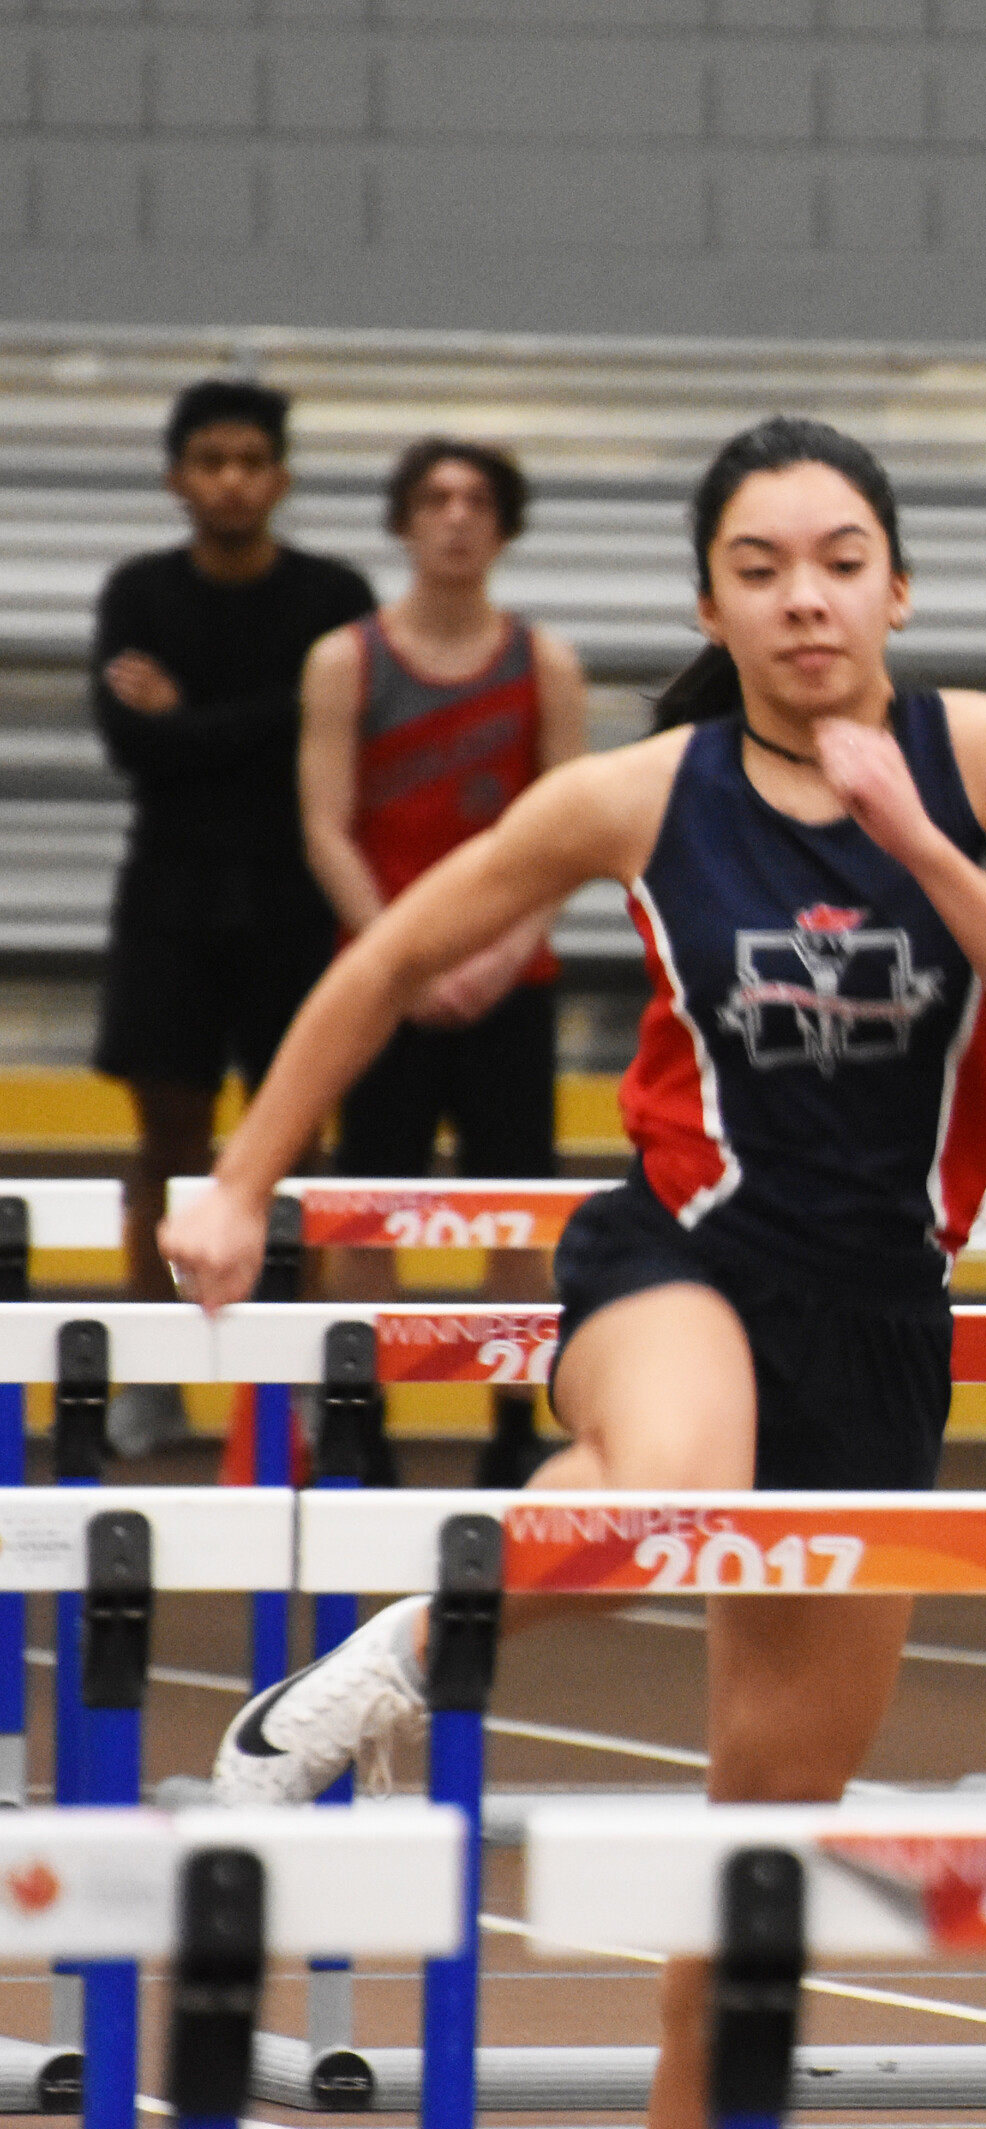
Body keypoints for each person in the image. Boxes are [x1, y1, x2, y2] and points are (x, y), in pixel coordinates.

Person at [162, 416, 986, 2129]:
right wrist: (243, 1182)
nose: (805, 598)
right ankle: (379, 1673)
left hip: (881, 1332)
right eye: (762, 566)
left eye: (841, 559)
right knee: (666, 1483)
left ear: (898, 586)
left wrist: (914, 834)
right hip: (676, 1263)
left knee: (767, 1841)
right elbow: (397, 952)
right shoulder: (641, 791)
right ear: (711, 603)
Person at [89, 378, 375, 1454]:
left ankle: (294, 1374)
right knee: (167, 1138)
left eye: (251, 460)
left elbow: (336, 730)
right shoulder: (138, 594)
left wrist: (195, 721)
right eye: (210, 460)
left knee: (293, 1136)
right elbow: (133, 746)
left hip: (295, 897)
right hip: (169, 893)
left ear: (282, 478)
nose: (231, 479)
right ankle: (152, 1374)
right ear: (177, 478)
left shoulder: (333, 594)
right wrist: (269, 719)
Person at [297, 436, 589, 1485]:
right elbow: (327, 826)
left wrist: (501, 955)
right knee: (366, 1210)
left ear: (504, 525)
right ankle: (358, 1416)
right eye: (434, 498)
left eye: (476, 500)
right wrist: (401, 961)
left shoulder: (543, 663)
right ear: (404, 520)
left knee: (517, 1214)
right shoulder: (348, 661)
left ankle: (513, 1425)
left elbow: (570, 835)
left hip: (513, 984)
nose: (456, 517)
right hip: (382, 983)